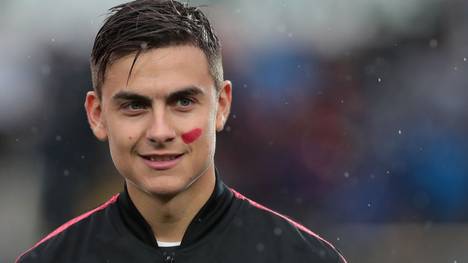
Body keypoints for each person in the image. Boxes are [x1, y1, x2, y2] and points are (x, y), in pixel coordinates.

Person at [16, 0, 347, 262]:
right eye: (135, 105)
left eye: (183, 102)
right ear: (98, 115)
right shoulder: (52, 258)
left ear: (221, 106)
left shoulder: (304, 256)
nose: (160, 131)